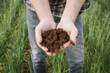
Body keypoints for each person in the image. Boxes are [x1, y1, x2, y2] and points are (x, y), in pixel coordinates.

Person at [24, 0, 90, 73]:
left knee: (77, 60)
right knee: (37, 56)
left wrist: (69, 19)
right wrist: (45, 18)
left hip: (72, 10)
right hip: (37, 9)